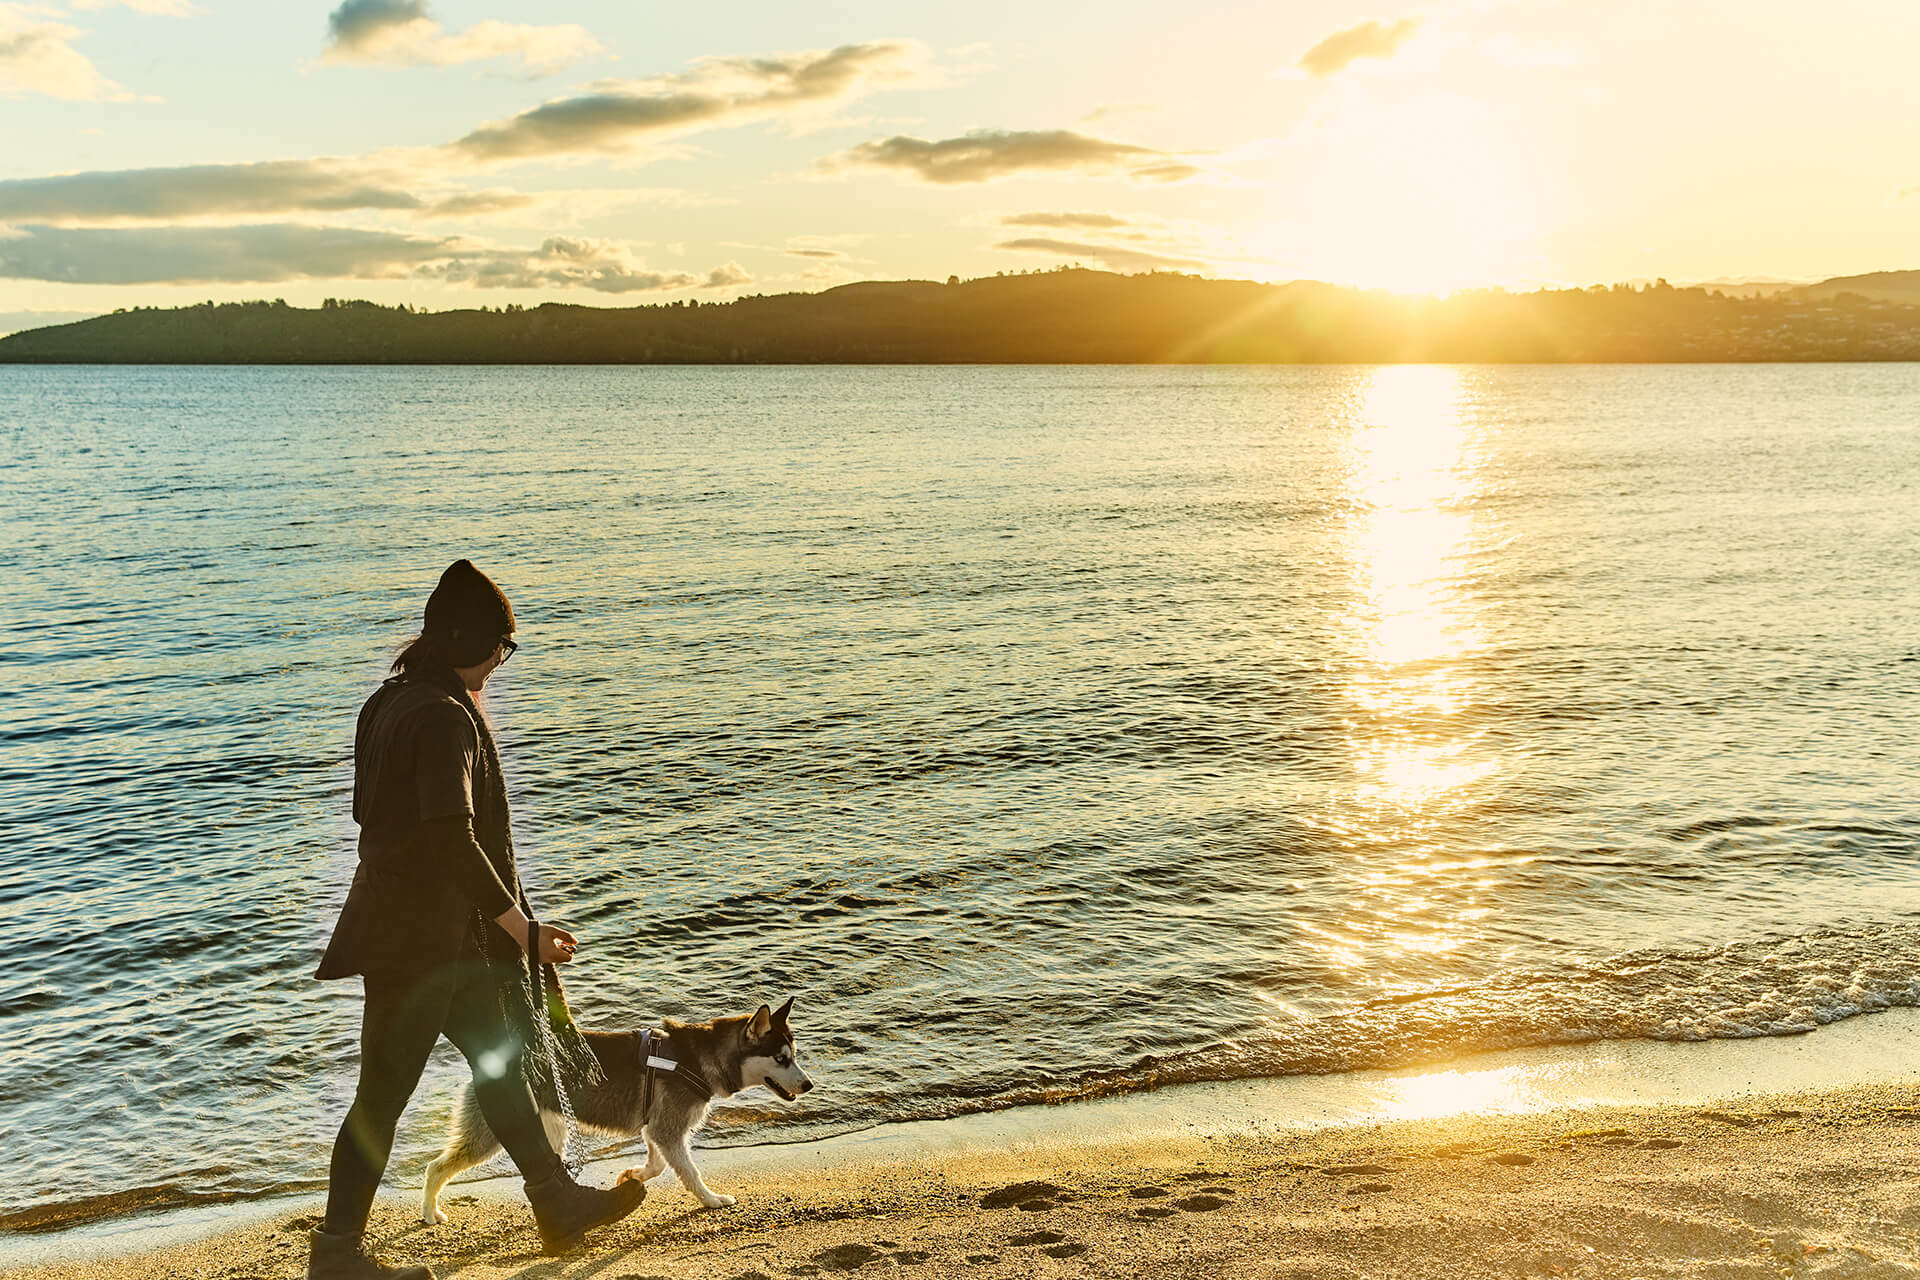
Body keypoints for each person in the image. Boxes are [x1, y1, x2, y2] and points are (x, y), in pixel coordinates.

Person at [308, 560, 645, 1280]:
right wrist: (522, 930)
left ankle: (556, 1201)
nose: (501, 659)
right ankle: (336, 1256)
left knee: (498, 1069)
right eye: (500, 644)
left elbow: (374, 816)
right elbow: (449, 836)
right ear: (465, 638)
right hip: (423, 947)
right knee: (380, 1099)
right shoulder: (443, 717)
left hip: (423, 937)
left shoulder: (390, 700)